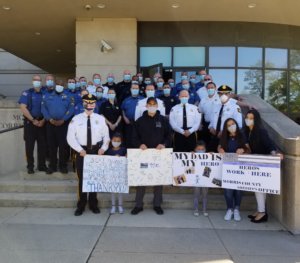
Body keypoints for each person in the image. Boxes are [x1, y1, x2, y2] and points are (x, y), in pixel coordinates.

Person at [67, 94, 110, 216]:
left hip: (95, 151)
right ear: (83, 104)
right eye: (87, 103)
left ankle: (93, 204)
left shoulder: (100, 119)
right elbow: (70, 137)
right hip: (82, 152)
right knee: (82, 179)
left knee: (94, 179)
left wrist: (103, 148)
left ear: (95, 104)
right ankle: (81, 205)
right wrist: (79, 149)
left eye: (92, 103)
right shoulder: (76, 119)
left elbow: (106, 136)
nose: (89, 105)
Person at [131, 97, 171, 215]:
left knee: (158, 180)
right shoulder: (140, 120)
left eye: (154, 104)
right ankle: (138, 205)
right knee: (141, 180)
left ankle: (157, 204)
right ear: (146, 106)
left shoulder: (163, 120)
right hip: (143, 155)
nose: (152, 106)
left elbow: (169, 136)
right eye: (150, 104)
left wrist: (164, 144)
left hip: (158, 155)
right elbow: (134, 136)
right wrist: (140, 144)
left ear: (157, 106)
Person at [244, 109, 283, 223]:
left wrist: (275, 153)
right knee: (256, 188)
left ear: (256, 120)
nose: (248, 120)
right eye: (247, 118)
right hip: (254, 163)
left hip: (263, 163)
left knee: (259, 188)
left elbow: (269, 144)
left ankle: (262, 212)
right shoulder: (247, 132)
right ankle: (260, 210)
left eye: (251, 118)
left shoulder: (261, 131)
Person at [218, 118, 250, 221]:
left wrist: (243, 150)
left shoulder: (242, 136)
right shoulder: (224, 137)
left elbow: (249, 150)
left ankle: (237, 209)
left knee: (238, 191)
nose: (231, 126)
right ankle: (229, 209)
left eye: (233, 124)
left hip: (240, 168)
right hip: (228, 168)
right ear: (226, 128)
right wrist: (220, 149)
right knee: (228, 190)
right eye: (228, 125)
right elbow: (219, 147)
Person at [41, 83, 75, 174]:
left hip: (63, 124)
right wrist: (49, 119)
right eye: (58, 84)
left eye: (61, 84)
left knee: (63, 146)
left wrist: (64, 120)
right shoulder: (47, 96)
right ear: (55, 86)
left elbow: (71, 109)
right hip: (50, 124)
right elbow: (43, 109)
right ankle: (52, 166)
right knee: (52, 146)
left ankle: (63, 166)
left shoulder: (69, 96)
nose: (60, 86)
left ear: (63, 87)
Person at [18, 75, 47, 174]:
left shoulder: (45, 92)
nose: (37, 82)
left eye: (39, 80)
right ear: (32, 81)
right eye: (35, 80)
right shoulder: (27, 93)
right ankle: (30, 166)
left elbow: (49, 107)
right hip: (30, 123)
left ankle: (42, 166)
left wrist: (43, 120)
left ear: (41, 82)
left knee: (43, 146)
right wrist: (33, 120)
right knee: (29, 147)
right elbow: (23, 107)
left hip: (42, 123)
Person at [209, 85, 243, 152]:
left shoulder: (235, 107)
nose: (223, 95)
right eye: (221, 93)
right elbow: (212, 121)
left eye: (226, 93)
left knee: (226, 159)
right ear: (218, 94)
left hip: (226, 138)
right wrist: (210, 127)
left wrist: (224, 131)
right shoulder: (215, 106)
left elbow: (239, 125)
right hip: (214, 136)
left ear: (229, 94)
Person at [105, 132, 127, 214]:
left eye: (118, 141)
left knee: (120, 190)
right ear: (111, 141)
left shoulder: (123, 150)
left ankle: (120, 206)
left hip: (121, 174)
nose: (116, 142)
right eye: (114, 140)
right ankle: (113, 206)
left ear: (121, 141)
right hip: (112, 174)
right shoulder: (109, 150)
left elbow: (127, 158)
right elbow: (106, 160)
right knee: (113, 191)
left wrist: (124, 157)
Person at [198, 82, 220, 146]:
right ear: (206, 89)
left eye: (212, 88)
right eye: (208, 88)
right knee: (205, 143)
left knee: (215, 144)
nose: (210, 89)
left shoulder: (220, 98)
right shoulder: (203, 100)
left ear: (215, 88)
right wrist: (199, 123)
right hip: (205, 124)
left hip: (216, 125)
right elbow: (200, 112)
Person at [193, 141, 209, 217]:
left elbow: (211, 166)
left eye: (202, 149)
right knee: (196, 195)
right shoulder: (193, 155)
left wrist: (212, 155)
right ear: (195, 149)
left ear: (205, 149)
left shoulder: (208, 156)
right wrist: (191, 154)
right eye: (198, 149)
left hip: (205, 178)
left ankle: (204, 209)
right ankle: (196, 209)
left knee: (205, 195)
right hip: (196, 178)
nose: (200, 150)